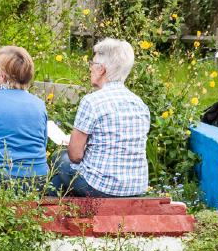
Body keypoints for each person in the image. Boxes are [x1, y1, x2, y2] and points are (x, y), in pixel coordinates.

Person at [51, 38, 151, 198]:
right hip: (136, 187)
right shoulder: (140, 104)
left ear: (102, 69)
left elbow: (75, 155)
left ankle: (51, 216)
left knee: (60, 159)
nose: (90, 68)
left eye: (93, 64)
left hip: (101, 188)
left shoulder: (92, 101)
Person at [0, 46, 48, 189]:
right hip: (38, 178)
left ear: (3, 75)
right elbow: (43, 143)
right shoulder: (40, 104)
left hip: (1, 176)